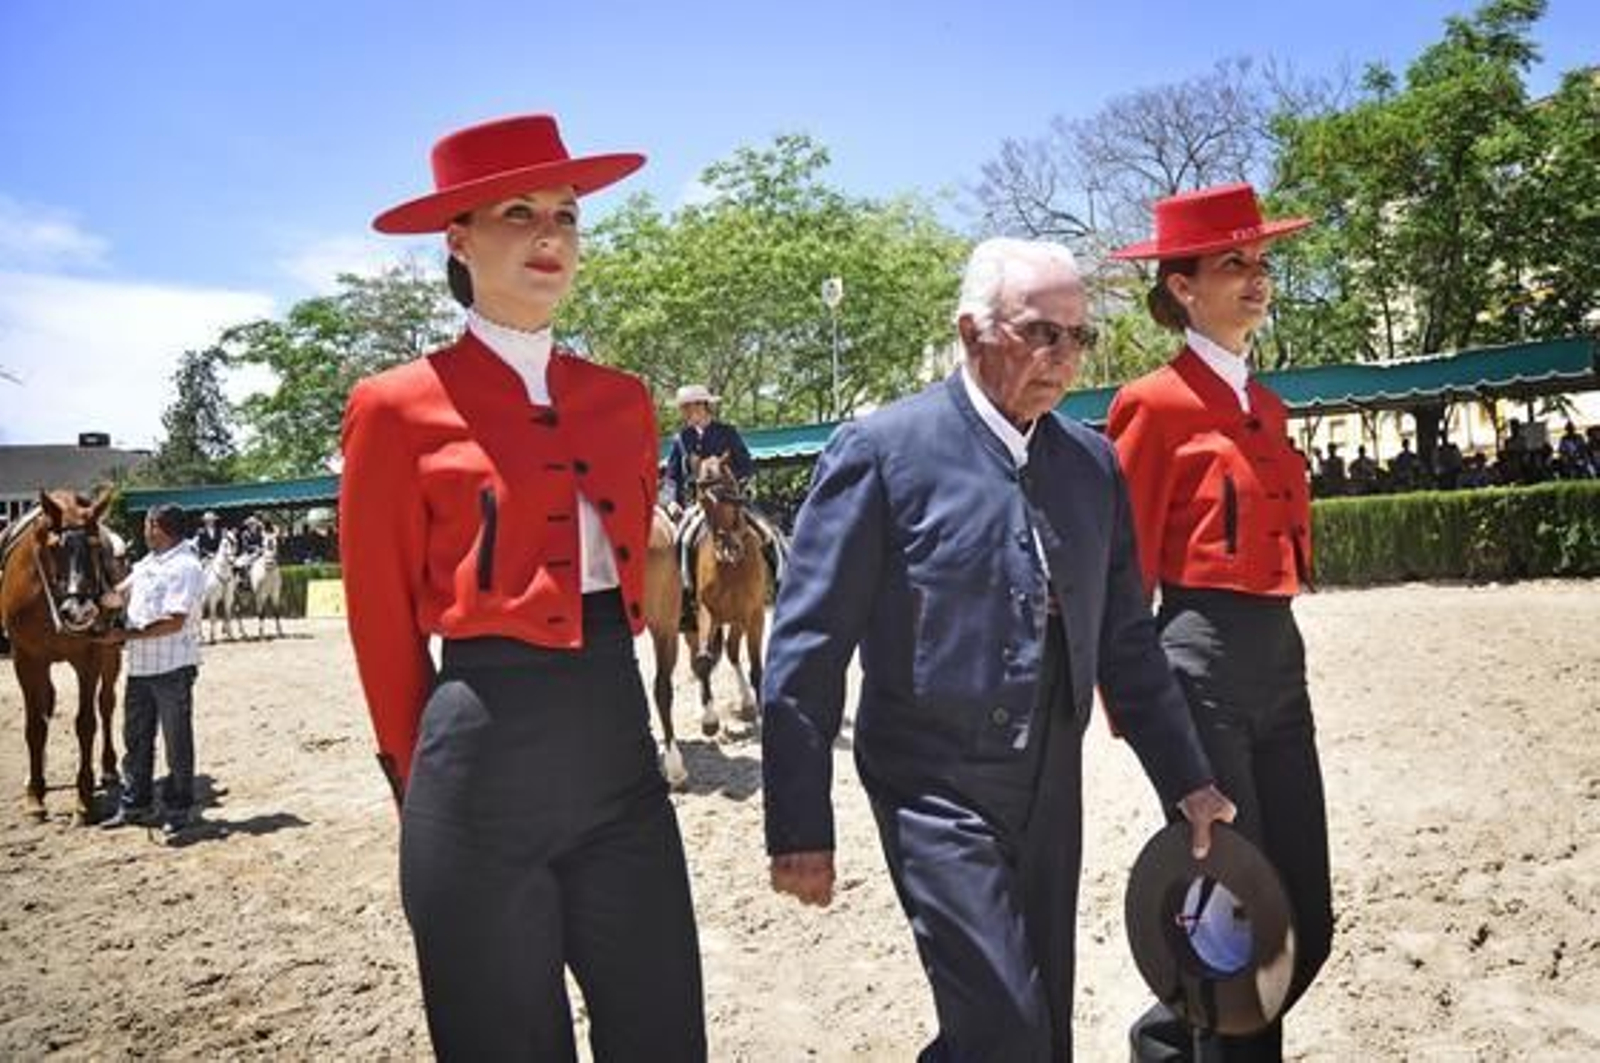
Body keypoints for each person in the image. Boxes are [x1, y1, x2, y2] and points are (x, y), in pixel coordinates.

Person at [761, 236, 1235, 1061]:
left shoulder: (1091, 465)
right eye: (1041, 333)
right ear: (970, 331)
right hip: (931, 786)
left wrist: (1188, 779)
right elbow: (808, 645)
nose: (1064, 356)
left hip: (1053, 781)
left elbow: (1127, 639)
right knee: (1006, 1028)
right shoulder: (880, 453)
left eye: (1078, 336)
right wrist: (799, 821)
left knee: (1039, 1029)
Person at [338, 114, 704, 1061]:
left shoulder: (624, 400)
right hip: (477, 775)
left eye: (566, 215)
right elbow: (379, 622)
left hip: (619, 757)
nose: (551, 235)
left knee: (665, 1034)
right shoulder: (393, 406)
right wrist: (417, 783)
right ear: (457, 238)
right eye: (518, 213)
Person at [1105, 182, 1335, 1062]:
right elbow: (1121, 574)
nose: (1257, 277)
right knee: (1244, 926)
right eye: (1232, 262)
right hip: (1196, 667)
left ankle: (1165, 1042)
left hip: (1281, 660)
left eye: (1262, 260)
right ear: (1182, 287)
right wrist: (1140, 715)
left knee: (1306, 920)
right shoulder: (1152, 404)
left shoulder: (1267, 406)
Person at [98, 504, 206, 838]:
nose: (144, 530)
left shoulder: (186, 566)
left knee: (176, 743)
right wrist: (91, 601)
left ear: (159, 527)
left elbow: (174, 621)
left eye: (147, 524)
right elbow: (118, 597)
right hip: (141, 667)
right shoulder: (147, 563)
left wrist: (124, 635)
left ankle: (178, 808)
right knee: (136, 739)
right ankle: (135, 803)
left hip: (173, 667)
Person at [664, 383, 786, 600]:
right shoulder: (681, 439)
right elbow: (672, 476)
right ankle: (686, 594)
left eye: (687, 407)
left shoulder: (727, 432)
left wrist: (732, 487)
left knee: (769, 533)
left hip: (732, 499)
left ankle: (782, 583)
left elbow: (746, 466)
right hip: (699, 504)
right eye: (683, 408)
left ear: (702, 406)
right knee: (682, 540)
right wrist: (672, 500)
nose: (684, 413)